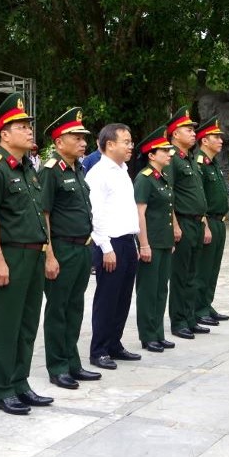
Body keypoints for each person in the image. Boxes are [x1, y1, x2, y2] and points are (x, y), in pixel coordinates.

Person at [0, 92, 54, 415]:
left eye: (28, 125)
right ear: (4, 134)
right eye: (21, 125)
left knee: (26, 323)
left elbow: (39, 215)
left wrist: (48, 252)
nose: (29, 130)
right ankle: (3, 388)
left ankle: (20, 382)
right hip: (10, 256)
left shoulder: (27, 169)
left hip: (33, 256)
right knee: (5, 324)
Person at [39, 107, 101, 389]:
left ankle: (72, 361)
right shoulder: (51, 171)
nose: (83, 142)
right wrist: (49, 254)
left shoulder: (77, 169)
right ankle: (58, 366)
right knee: (58, 309)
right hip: (61, 249)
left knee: (75, 308)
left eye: (83, 137)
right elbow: (45, 215)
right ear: (59, 141)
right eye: (75, 137)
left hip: (81, 248)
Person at [84, 122, 141, 369]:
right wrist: (105, 247)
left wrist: (135, 242)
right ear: (110, 144)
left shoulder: (122, 170)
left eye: (130, 141)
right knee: (107, 298)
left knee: (123, 298)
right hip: (110, 243)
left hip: (127, 241)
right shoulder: (99, 173)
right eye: (126, 142)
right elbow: (94, 215)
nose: (131, 146)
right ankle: (99, 350)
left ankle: (114, 344)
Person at [166, 106, 211, 338]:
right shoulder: (172, 158)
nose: (194, 133)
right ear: (175, 134)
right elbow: (169, 192)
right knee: (181, 275)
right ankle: (179, 321)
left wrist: (204, 222)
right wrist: (174, 224)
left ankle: (190, 316)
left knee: (193, 274)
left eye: (194, 129)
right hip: (182, 221)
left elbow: (198, 193)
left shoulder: (191, 158)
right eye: (188, 129)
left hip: (196, 222)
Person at [134, 126, 176, 353]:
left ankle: (158, 332)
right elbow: (140, 212)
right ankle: (147, 335)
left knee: (161, 289)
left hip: (164, 241)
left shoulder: (163, 177)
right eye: (164, 151)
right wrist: (144, 244)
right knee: (148, 291)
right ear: (151, 155)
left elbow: (168, 209)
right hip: (150, 242)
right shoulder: (145, 179)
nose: (169, 154)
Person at [193, 117, 229, 326]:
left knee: (213, 267)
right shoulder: (200, 163)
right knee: (203, 268)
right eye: (216, 137)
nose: (220, 140)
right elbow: (201, 198)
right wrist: (205, 224)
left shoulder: (213, 163)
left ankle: (207, 303)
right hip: (208, 221)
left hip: (220, 221)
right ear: (204, 140)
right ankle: (199, 308)